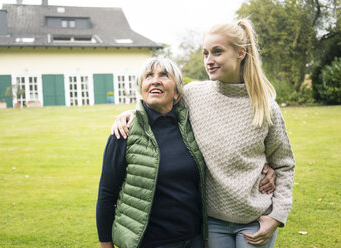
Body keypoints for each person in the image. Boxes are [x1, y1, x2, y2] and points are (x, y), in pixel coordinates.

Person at [111, 19, 295, 248]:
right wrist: (130, 114)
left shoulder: (265, 105)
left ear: (241, 53)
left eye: (217, 52)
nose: (209, 60)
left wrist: (276, 216)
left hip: (256, 219)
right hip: (213, 220)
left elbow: (284, 164)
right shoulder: (193, 95)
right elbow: (159, 104)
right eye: (205, 53)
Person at [96, 57, 207, 248]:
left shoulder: (192, 127)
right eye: (148, 76)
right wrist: (106, 244)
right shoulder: (124, 132)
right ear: (142, 89)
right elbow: (107, 194)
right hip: (148, 242)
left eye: (164, 75)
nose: (155, 80)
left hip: (194, 239)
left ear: (177, 91)